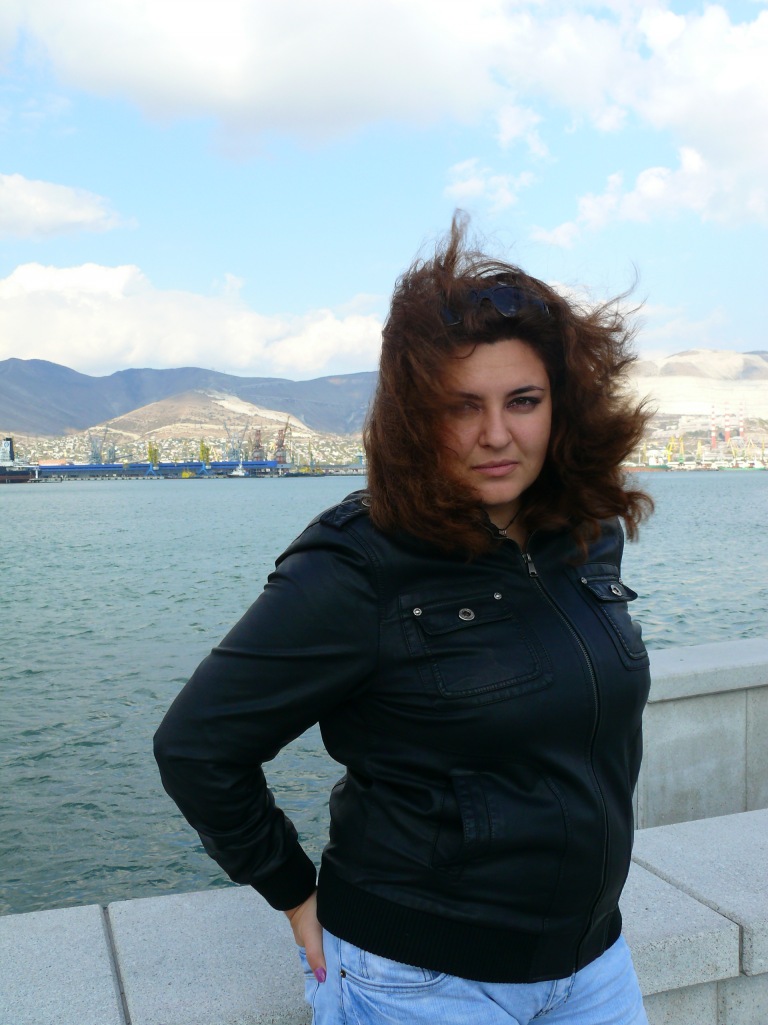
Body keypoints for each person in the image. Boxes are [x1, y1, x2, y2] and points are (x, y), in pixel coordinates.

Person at [154, 214, 654, 1024]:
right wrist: (292, 889)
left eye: (523, 401)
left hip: (592, 964)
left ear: (564, 406)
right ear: (417, 417)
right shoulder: (359, 561)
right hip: (421, 982)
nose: (497, 434)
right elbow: (196, 746)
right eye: (463, 406)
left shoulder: (586, 535)